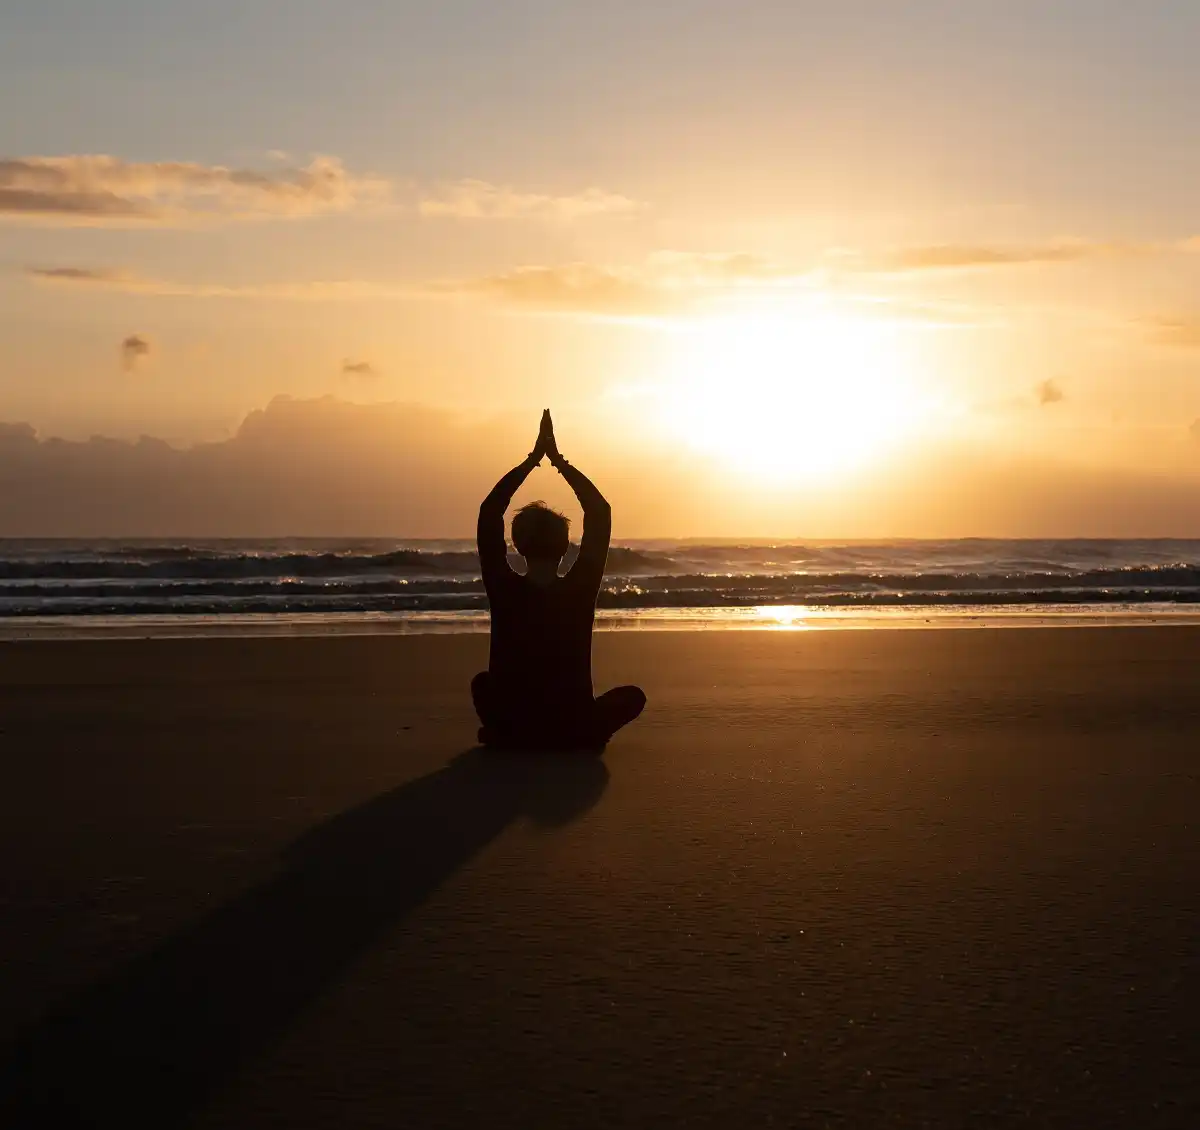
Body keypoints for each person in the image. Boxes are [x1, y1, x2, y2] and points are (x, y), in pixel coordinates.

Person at [473, 410, 646, 750]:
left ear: (517, 545)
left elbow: (490, 511)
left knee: (482, 684)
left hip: (515, 723)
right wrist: (559, 462)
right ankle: (578, 737)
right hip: (573, 724)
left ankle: (510, 738)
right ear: (566, 546)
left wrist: (531, 461)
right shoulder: (579, 588)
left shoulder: (503, 587)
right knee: (632, 697)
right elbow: (599, 513)